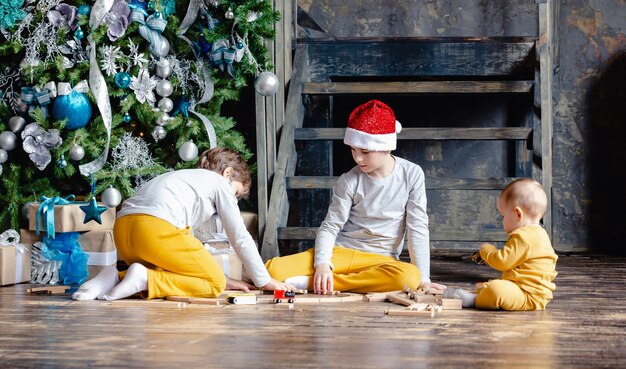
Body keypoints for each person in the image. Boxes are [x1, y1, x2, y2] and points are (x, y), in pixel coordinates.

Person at [266, 100, 446, 294]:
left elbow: (417, 227)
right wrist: (323, 265)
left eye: (365, 152)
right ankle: (323, 278)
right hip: (341, 252)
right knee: (271, 270)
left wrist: (424, 279)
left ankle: (312, 283)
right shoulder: (349, 180)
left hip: (380, 259)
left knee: (409, 277)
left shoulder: (411, 174)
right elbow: (330, 227)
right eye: (353, 150)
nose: (358, 158)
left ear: (386, 147)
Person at [73, 147, 293, 301]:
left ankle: (113, 276)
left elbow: (184, 257)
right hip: (156, 229)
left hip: (124, 233)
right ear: (227, 174)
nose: (232, 199)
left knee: (173, 268)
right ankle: (146, 279)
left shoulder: (180, 178)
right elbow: (239, 236)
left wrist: (225, 278)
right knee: (214, 284)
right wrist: (263, 280)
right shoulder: (219, 183)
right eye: (236, 192)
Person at [446, 178, 558, 310]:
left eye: (503, 215)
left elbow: (502, 261)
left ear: (517, 214)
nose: (502, 220)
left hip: (528, 295)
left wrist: (486, 250)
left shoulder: (523, 237)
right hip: (529, 290)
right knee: (495, 284)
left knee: (496, 290)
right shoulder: (540, 234)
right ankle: (479, 293)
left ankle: (474, 300)